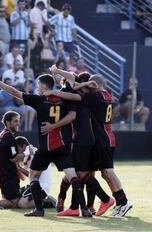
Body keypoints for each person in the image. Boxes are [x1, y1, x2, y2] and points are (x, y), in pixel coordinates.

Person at [0, 71, 90, 217]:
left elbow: (15, 92)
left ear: (43, 86)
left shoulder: (40, 100)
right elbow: (72, 115)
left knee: (33, 176)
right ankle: (85, 209)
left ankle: (39, 210)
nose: (37, 88)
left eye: (38, 85)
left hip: (45, 149)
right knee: (73, 177)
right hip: (63, 146)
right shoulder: (65, 98)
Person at [45, 66, 133, 217]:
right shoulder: (108, 96)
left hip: (102, 139)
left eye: (89, 85)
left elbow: (74, 97)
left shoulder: (95, 96)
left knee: (107, 172)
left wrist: (53, 92)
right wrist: (60, 72)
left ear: (94, 86)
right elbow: (75, 81)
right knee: (104, 173)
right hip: (107, 137)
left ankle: (122, 202)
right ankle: (116, 203)